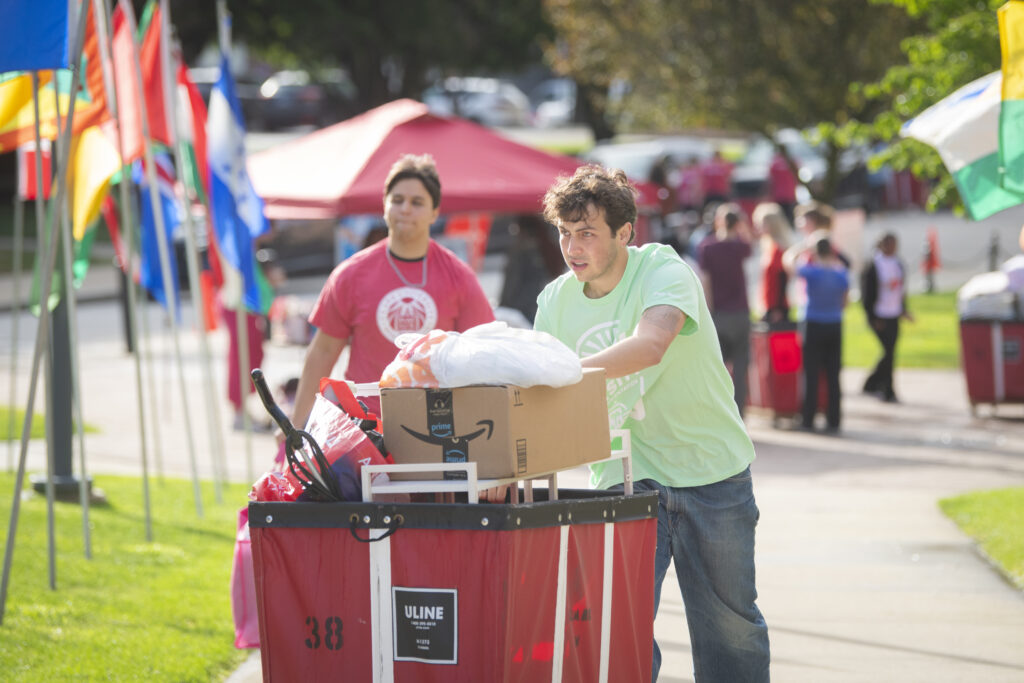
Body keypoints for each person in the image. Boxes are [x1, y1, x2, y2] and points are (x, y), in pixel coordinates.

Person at [534, 164, 770, 683]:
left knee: (730, 631)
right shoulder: (553, 302)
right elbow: (542, 400)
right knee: (619, 631)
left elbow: (651, 344)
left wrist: (562, 370)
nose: (572, 247)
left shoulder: (664, 270)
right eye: (564, 233)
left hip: (712, 475)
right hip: (622, 479)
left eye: (587, 233)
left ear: (624, 233)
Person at [288, 154, 495, 428]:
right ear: (384, 206)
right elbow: (323, 352)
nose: (405, 209)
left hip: (437, 425)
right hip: (365, 425)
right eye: (397, 200)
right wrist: (298, 423)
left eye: (417, 202)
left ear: (435, 212)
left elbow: (484, 354)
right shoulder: (351, 275)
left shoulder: (459, 277)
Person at [784, 237, 849, 433]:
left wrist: (802, 248)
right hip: (834, 323)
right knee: (833, 374)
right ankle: (834, 419)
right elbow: (845, 302)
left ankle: (808, 418)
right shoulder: (840, 274)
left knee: (810, 373)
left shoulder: (811, 271)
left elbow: (789, 264)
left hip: (812, 322)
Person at [697, 203, 753, 416]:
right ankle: (740, 413)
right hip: (740, 311)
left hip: (719, 312)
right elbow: (750, 243)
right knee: (740, 367)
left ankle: (719, 412)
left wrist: (709, 310)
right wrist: (742, 226)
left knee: (717, 367)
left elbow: (706, 281)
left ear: (718, 221)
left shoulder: (707, 248)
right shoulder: (740, 247)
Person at [860, 232, 914, 402]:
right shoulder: (873, 265)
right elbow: (867, 294)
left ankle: (873, 383)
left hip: (893, 314)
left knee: (890, 352)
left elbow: (900, 290)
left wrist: (904, 309)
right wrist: (872, 317)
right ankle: (886, 389)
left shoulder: (898, 263)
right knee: (888, 352)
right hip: (880, 315)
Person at [753, 202, 794, 323]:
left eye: (761, 224)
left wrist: (778, 309)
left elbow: (782, 280)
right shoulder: (769, 247)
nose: (758, 228)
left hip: (777, 309)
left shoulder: (778, 249)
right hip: (770, 306)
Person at [767, 144, 798, 224]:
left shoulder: (774, 163)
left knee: (781, 220)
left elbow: (770, 181)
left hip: (779, 196)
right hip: (789, 195)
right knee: (790, 220)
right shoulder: (792, 162)